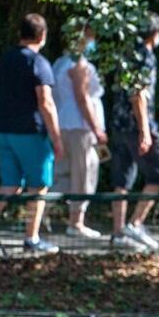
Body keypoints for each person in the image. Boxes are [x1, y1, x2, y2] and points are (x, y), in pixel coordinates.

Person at [0, 13, 64, 254]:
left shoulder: (5, 60)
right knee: (38, 187)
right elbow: (45, 102)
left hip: (3, 130)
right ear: (42, 36)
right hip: (30, 134)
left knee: (10, 183)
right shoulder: (38, 63)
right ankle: (31, 239)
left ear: (19, 33)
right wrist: (56, 137)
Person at [109, 12, 159, 252]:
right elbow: (139, 95)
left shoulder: (124, 55)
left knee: (122, 179)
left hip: (118, 125)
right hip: (137, 125)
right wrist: (145, 131)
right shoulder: (145, 57)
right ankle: (135, 223)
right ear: (154, 34)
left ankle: (118, 233)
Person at [51, 23, 108, 238]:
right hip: (80, 127)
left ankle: (36, 215)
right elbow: (83, 99)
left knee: (62, 173)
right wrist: (97, 129)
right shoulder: (79, 65)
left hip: (62, 124)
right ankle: (76, 223)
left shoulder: (59, 62)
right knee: (83, 173)